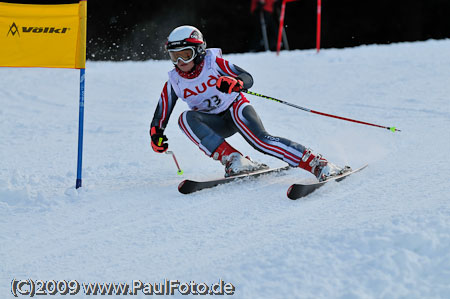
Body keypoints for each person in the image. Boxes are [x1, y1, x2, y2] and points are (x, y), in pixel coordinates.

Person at [150, 25, 347, 180]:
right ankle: (234, 159)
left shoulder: (213, 63)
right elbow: (162, 112)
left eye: (185, 55)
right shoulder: (175, 81)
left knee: (261, 141)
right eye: (174, 57)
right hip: (214, 123)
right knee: (185, 119)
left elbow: (247, 77)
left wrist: (236, 82)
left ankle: (317, 163)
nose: (180, 63)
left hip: (236, 110)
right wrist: (156, 133)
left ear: (199, 50)